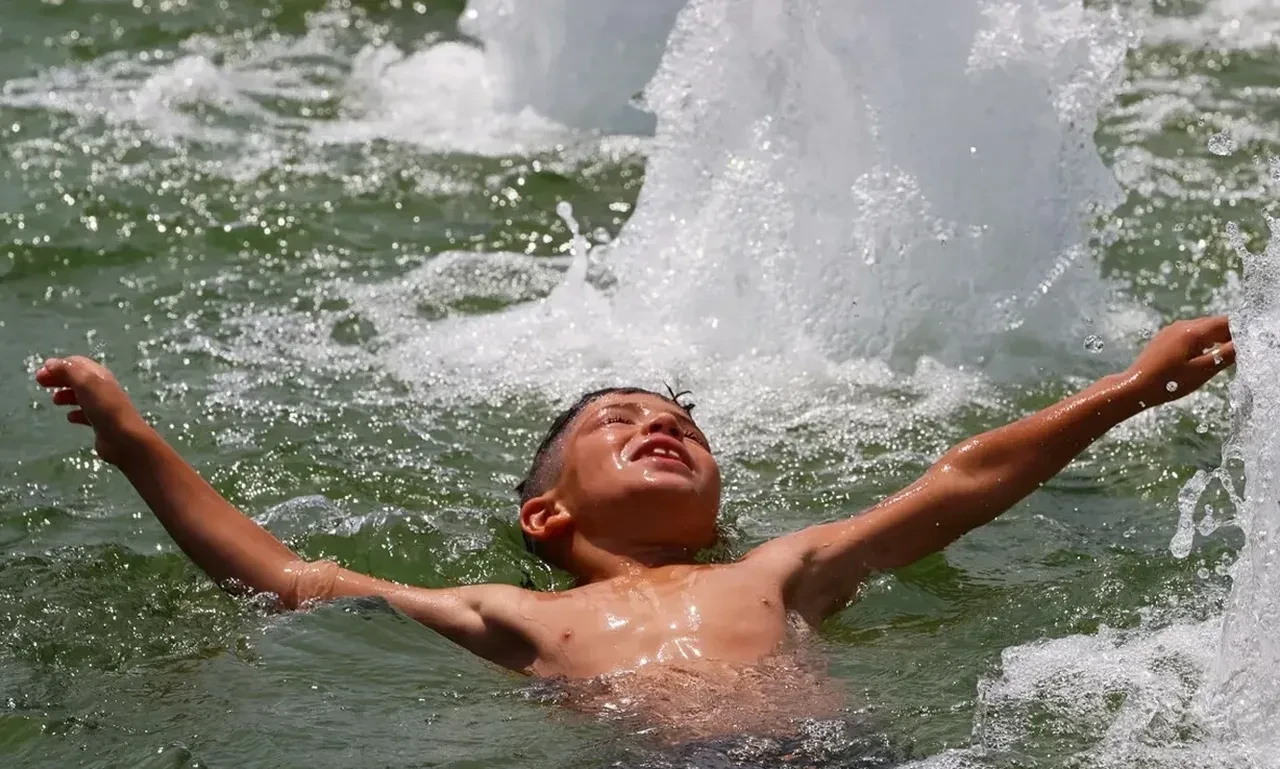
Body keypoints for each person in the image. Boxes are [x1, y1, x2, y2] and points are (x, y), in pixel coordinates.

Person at [33, 316, 1234, 740]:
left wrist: (1124, 391)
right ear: (544, 511)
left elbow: (960, 479)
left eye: (680, 425)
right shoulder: (515, 612)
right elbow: (289, 577)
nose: (659, 426)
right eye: (618, 422)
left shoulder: (780, 569)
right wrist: (134, 441)